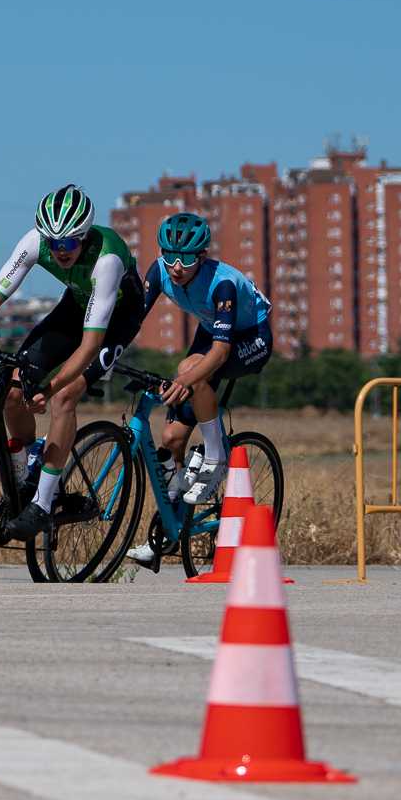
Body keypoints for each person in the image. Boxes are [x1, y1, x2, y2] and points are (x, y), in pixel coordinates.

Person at [0, 185, 146, 542]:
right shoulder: (35, 242)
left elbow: (91, 344)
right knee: (14, 389)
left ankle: (42, 505)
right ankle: (33, 462)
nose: (61, 251)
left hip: (117, 321)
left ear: (85, 236)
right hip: (75, 306)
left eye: (70, 244)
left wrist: (51, 387)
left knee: (64, 396)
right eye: (54, 243)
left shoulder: (107, 260)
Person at [121, 211, 275, 567]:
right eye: (169, 255)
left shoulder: (222, 283)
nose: (177, 266)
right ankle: (168, 530)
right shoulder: (159, 271)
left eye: (187, 258)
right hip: (211, 329)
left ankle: (216, 456)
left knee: (192, 373)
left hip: (250, 336)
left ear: (201, 255)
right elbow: (131, 322)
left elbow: (220, 353)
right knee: (172, 439)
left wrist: (183, 383)